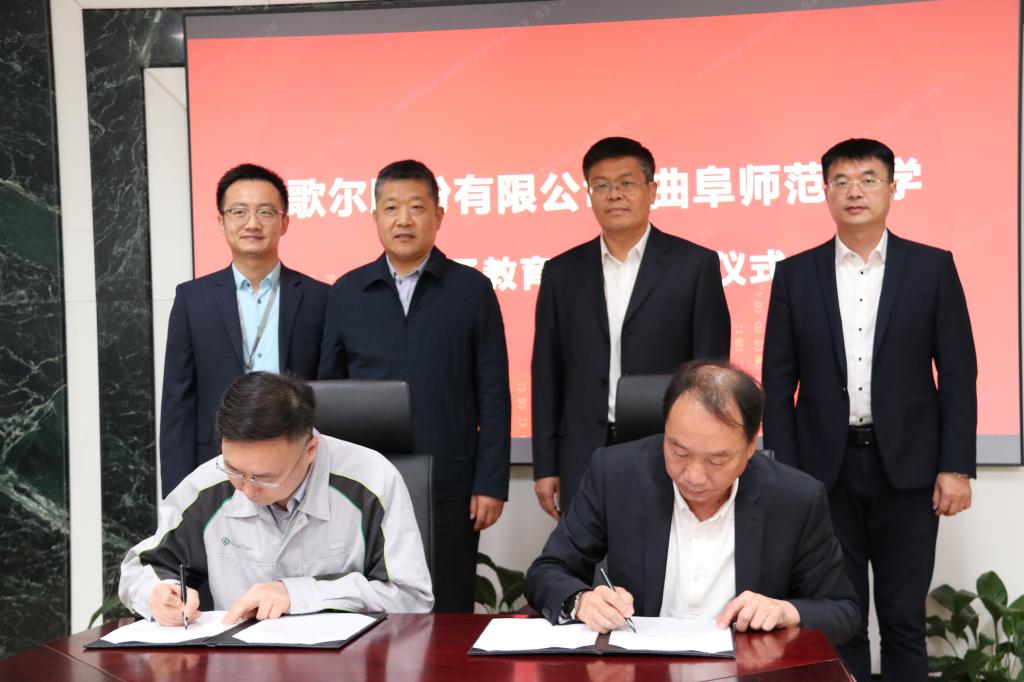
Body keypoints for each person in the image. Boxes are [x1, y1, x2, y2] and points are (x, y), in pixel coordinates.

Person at [762, 138, 976, 681]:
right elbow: (778, 383)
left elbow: (956, 374)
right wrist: (785, 473)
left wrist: (955, 466)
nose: (853, 191)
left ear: (892, 188)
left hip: (909, 470)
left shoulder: (931, 268)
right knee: (841, 618)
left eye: (867, 179)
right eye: (841, 181)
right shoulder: (795, 274)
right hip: (823, 473)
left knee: (904, 619)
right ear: (825, 191)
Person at [524, 361, 858, 646]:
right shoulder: (615, 475)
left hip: (745, 671)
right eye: (679, 451)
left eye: (717, 460)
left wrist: (786, 611)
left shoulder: (795, 498)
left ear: (749, 447)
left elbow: (842, 611)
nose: (694, 476)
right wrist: (582, 601)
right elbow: (546, 572)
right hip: (641, 669)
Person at [318, 159, 511, 613]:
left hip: (450, 481)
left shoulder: (472, 289)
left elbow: (494, 394)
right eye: (391, 208)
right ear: (375, 217)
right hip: (363, 481)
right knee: (366, 601)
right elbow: (328, 393)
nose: (403, 219)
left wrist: (490, 482)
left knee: (449, 601)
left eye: (416, 207)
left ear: (438, 215)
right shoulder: (347, 292)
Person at [120, 372, 433, 624]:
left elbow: (411, 597)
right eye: (235, 470)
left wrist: (297, 594)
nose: (247, 489)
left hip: (346, 665)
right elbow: (142, 567)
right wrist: (158, 593)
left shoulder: (372, 481)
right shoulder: (208, 485)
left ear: (310, 450)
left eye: (265, 477)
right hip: (240, 665)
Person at [531, 136, 731, 519]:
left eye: (626, 183)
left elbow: (710, 374)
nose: (614, 194)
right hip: (583, 453)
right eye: (601, 185)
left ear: (652, 190)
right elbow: (547, 375)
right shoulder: (561, 273)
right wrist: (546, 464)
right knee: (589, 554)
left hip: (670, 450)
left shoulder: (694, 265)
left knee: (663, 553)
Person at [160, 163, 328, 496]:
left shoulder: (319, 298)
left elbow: (331, 389)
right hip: (216, 462)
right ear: (221, 222)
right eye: (239, 212)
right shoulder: (193, 299)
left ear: (284, 222)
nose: (252, 223)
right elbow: (178, 401)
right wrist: (177, 493)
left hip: (295, 460)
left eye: (265, 212)